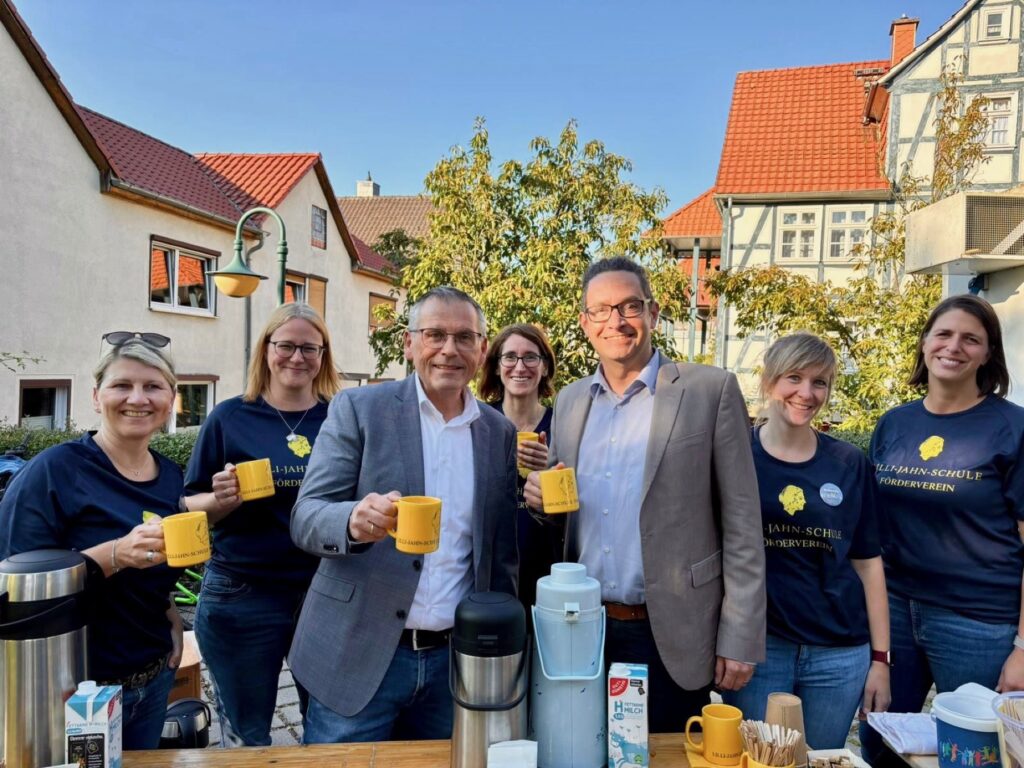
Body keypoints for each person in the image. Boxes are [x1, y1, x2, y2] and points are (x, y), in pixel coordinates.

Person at [524, 256, 765, 732]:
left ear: (653, 313)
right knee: (579, 751)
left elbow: (742, 522)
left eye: (629, 306)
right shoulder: (570, 401)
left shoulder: (709, 391)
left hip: (673, 630)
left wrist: (739, 635)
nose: (616, 321)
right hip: (582, 628)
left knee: (668, 754)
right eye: (601, 310)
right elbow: (565, 517)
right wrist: (541, 502)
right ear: (585, 322)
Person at [289, 285, 518, 743]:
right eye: (435, 335)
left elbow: (500, 552)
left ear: (482, 350)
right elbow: (306, 516)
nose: (449, 349)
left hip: (454, 661)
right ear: (409, 343)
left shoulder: (498, 432)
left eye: (464, 337)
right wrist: (352, 521)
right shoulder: (359, 408)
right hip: (358, 653)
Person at [861, 294, 1024, 767]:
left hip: (978, 623)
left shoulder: (1012, 428)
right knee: (880, 746)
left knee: (975, 755)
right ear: (925, 342)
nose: (954, 347)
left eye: (971, 339)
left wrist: (1022, 648)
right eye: (944, 334)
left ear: (988, 353)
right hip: (893, 612)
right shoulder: (894, 423)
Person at [0, 333, 183, 749]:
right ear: (97, 396)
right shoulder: (54, 471)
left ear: (171, 399)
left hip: (152, 679)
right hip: (71, 692)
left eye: (153, 386)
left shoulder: (171, 475)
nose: (138, 398)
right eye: (122, 385)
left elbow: (156, 569)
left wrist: (169, 610)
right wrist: (114, 554)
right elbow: (13, 589)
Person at [182, 303, 341, 747]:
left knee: (331, 729)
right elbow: (189, 506)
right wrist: (220, 499)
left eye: (309, 348)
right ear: (266, 349)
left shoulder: (340, 418)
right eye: (286, 345)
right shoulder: (230, 417)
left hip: (326, 592)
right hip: (243, 592)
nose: (297, 357)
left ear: (323, 355)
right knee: (247, 734)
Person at [722, 332, 890, 748]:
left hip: (839, 654)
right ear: (769, 381)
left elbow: (868, 563)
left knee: (821, 759)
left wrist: (880, 660)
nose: (806, 393)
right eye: (794, 378)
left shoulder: (849, 463)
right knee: (760, 759)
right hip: (760, 649)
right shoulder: (735, 456)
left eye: (820, 382)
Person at [478, 323, 563, 621]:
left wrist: (549, 472)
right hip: (488, 574)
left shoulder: (563, 426)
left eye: (530, 357)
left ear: (544, 367)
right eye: (510, 357)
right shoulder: (478, 422)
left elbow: (578, 507)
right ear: (496, 366)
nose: (520, 366)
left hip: (548, 573)